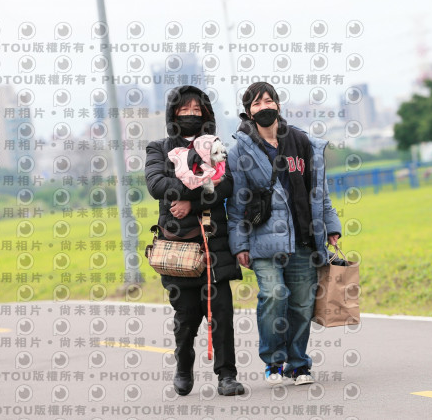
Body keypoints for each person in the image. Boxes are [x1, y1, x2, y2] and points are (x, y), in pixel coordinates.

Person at [227, 82, 342, 386]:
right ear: (248, 112)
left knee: (302, 304)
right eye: (256, 104)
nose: (263, 107)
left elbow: (319, 192)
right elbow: (236, 204)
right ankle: (273, 361)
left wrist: (331, 226)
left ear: (278, 105)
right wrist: (239, 245)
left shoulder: (302, 142)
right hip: (262, 240)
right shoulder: (240, 151)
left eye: (268, 101)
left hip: (303, 237)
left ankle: (298, 364)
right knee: (274, 294)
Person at [144, 85, 245, 396]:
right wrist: (201, 187)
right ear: (173, 114)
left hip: (214, 243)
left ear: (206, 114)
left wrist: (192, 202)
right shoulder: (158, 149)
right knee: (186, 316)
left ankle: (226, 376)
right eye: (184, 110)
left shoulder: (216, 145)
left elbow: (226, 184)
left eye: (196, 110)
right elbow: (156, 183)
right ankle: (183, 366)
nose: (190, 115)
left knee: (222, 313)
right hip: (179, 246)